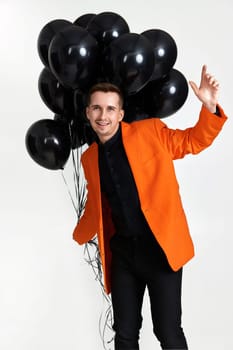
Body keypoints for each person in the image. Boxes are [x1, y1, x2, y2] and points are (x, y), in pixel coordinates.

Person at [73, 65, 227, 349]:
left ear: (120, 114)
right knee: (125, 333)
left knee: (168, 332)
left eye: (110, 109)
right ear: (88, 114)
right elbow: (97, 205)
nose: (103, 116)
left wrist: (209, 107)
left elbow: (193, 141)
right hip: (124, 257)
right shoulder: (89, 158)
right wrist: (76, 235)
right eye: (96, 109)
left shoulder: (151, 131)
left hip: (161, 252)